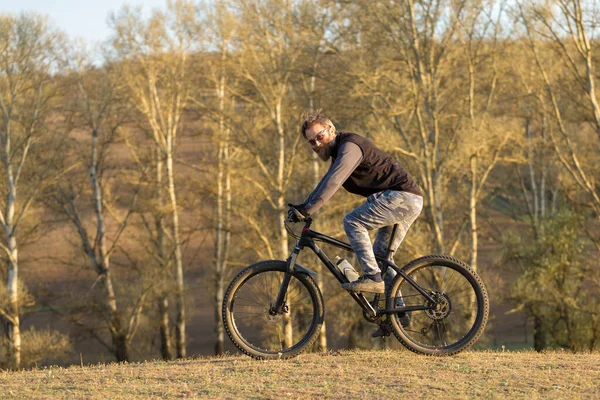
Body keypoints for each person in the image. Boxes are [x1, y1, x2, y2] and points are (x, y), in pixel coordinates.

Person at [288, 111, 423, 295]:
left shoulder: (349, 147)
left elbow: (334, 181)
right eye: (312, 142)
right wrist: (304, 206)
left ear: (331, 130)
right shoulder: (339, 154)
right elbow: (326, 181)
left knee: (353, 221)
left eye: (320, 137)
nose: (317, 144)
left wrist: (308, 209)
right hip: (404, 200)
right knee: (381, 258)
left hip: (402, 198)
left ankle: (374, 279)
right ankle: (398, 315)